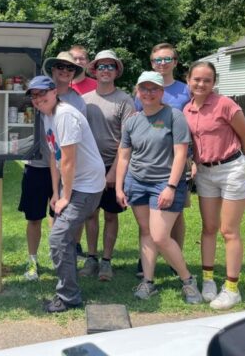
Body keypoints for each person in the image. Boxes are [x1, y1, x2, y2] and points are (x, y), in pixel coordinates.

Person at [115, 71, 202, 304]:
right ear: (137, 92)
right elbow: (123, 156)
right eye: (144, 89)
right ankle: (148, 282)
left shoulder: (174, 116)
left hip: (165, 183)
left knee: (161, 236)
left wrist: (171, 187)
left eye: (154, 89)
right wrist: (119, 187)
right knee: (146, 232)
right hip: (136, 182)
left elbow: (181, 153)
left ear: (161, 92)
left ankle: (188, 280)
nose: (148, 93)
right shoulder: (132, 121)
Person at [26, 75, 105, 313]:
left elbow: (69, 160)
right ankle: (69, 290)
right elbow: (54, 155)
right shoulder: (47, 116)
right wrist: (55, 191)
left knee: (58, 237)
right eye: (34, 96)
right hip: (74, 184)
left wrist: (66, 196)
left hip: (87, 186)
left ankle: (68, 296)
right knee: (64, 238)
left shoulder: (65, 116)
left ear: (54, 92)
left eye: (42, 93)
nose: (38, 99)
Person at [184, 61, 245, 310]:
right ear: (188, 80)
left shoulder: (225, 104)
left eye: (207, 80)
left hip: (232, 169)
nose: (201, 84)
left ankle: (232, 288)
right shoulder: (187, 110)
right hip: (205, 172)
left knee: (228, 230)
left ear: (214, 82)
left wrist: (244, 161)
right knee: (209, 227)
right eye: (197, 79)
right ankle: (208, 279)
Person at [18, 51, 87, 282]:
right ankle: (32, 261)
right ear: (53, 70)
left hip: (64, 166)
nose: (64, 71)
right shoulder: (38, 93)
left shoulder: (77, 101)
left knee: (65, 215)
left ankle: (63, 258)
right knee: (34, 217)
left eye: (70, 68)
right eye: (60, 67)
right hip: (36, 164)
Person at [134, 43, 192, 277]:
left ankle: (173, 258)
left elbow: (195, 125)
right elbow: (139, 123)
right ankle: (146, 260)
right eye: (158, 60)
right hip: (149, 160)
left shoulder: (186, 90)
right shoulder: (142, 91)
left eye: (167, 59)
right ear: (152, 63)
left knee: (176, 213)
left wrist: (193, 159)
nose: (162, 64)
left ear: (175, 62)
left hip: (179, 159)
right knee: (147, 218)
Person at [79, 50, 135, 282]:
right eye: (101, 66)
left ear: (117, 71)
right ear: (94, 70)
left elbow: (127, 140)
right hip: (89, 166)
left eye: (110, 66)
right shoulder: (85, 100)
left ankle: (106, 261)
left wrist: (114, 173)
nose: (105, 70)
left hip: (114, 164)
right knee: (90, 215)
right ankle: (91, 257)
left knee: (111, 215)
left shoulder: (125, 100)